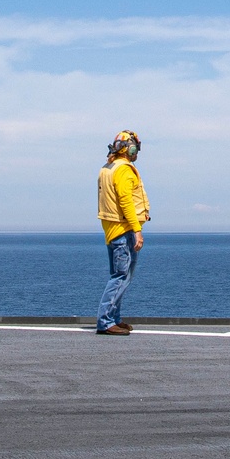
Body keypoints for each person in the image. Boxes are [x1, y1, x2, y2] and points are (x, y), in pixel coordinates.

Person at [96, 130, 150, 335]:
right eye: (135, 147)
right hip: (124, 229)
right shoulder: (124, 170)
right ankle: (106, 321)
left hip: (112, 229)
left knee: (119, 275)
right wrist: (137, 230)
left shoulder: (107, 168)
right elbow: (125, 201)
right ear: (129, 148)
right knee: (120, 276)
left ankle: (114, 318)